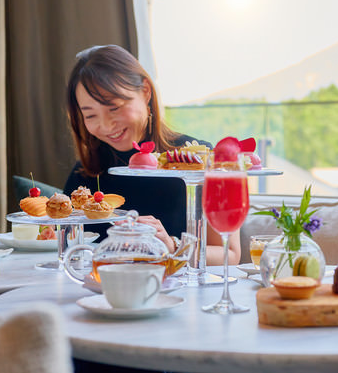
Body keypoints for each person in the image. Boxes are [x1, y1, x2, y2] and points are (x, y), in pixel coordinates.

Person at [64, 44, 241, 266]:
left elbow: (230, 254)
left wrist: (172, 246)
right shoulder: (86, 173)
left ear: (145, 91)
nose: (106, 125)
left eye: (114, 108)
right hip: (101, 294)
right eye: (90, 116)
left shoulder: (198, 161)